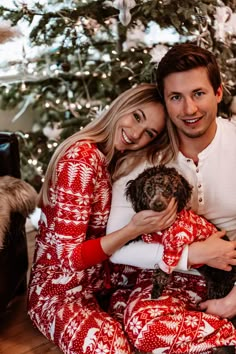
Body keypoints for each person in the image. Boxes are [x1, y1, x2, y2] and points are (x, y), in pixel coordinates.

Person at [27, 83, 184, 354]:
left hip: (104, 286)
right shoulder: (81, 160)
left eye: (149, 132)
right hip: (58, 294)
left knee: (153, 331)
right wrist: (133, 229)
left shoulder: (117, 160)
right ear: (121, 106)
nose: (136, 134)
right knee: (110, 347)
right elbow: (70, 259)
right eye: (136, 116)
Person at [107, 43, 236, 353]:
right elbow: (116, 246)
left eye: (198, 94)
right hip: (170, 278)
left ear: (218, 93)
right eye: (176, 98)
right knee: (145, 329)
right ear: (165, 102)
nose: (189, 109)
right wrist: (190, 255)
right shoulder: (142, 158)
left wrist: (233, 301)